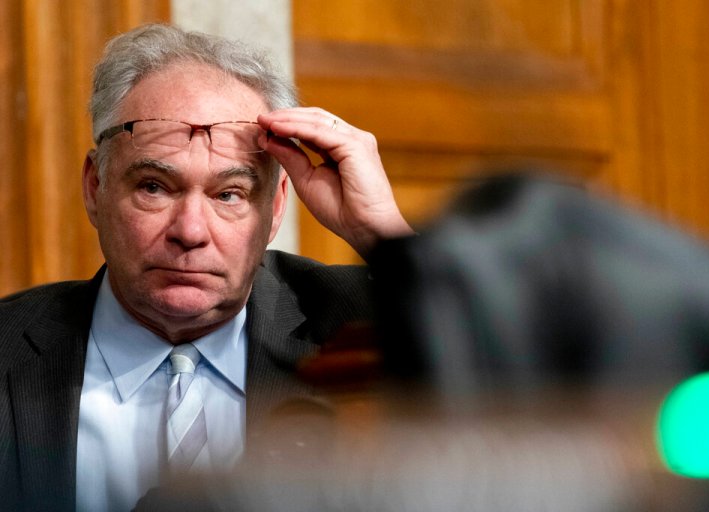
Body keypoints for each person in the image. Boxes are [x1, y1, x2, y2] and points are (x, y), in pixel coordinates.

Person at [0, 23, 413, 511]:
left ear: (277, 206)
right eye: (154, 186)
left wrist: (384, 237)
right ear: (95, 188)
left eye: (229, 194)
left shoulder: (369, 324)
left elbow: (516, 391)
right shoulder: (8, 346)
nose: (191, 231)